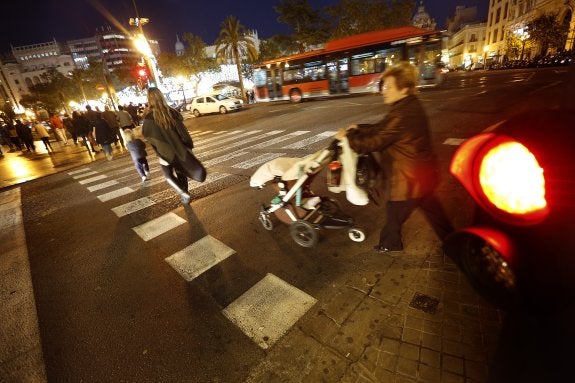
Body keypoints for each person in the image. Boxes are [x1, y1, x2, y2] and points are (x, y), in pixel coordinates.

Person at [336, 62, 453, 254]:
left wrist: (347, 138)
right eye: (384, 86)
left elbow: (374, 142)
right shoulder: (407, 106)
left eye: (389, 87)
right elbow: (383, 128)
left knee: (395, 211)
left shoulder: (403, 113)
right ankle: (454, 243)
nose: (384, 90)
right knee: (434, 212)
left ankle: (390, 243)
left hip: (408, 179)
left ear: (404, 88)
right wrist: (358, 127)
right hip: (422, 175)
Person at [142, 87, 206, 204]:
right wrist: (188, 147)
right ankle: (185, 193)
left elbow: (148, 136)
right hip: (180, 150)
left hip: (163, 152)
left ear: (149, 99)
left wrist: (159, 148)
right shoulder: (172, 112)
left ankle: (183, 192)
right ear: (161, 96)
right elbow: (183, 133)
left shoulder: (148, 118)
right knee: (181, 171)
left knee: (168, 175)